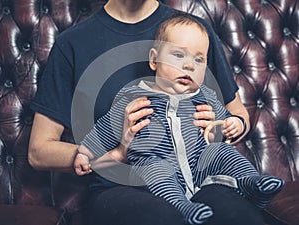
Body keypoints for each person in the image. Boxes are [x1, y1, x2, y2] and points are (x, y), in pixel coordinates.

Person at [28, 0, 262, 225]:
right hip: (119, 187)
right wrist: (117, 154)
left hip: (197, 177)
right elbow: (39, 152)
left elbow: (237, 113)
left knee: (237, 215)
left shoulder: (193, 31)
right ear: (153, 59)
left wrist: (221, 131)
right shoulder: (72, 43)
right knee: (161, 218)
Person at [74, 14, 284, 225]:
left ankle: (251, 183)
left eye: (199, 59)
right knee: (154, 169)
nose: (189, 66)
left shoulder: (206, 97)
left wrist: (234, 124)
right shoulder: (134, 98)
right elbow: (104, 129)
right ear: (154, 59)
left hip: (200, 167)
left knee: (221, 151)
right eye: (178, 55)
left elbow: (227, 119)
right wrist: (85, 153)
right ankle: (184, 208)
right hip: (157, 165)